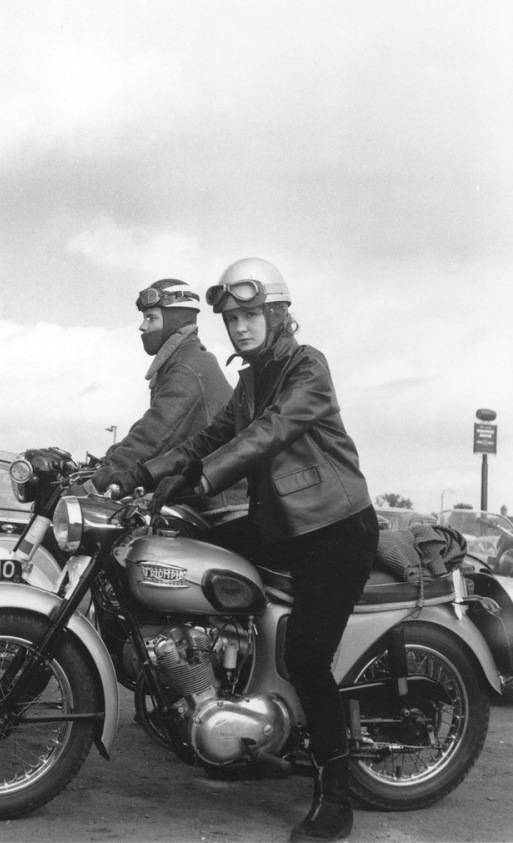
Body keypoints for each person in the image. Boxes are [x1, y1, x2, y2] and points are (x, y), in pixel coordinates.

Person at [114, 258, 378, 843]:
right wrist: (143, 475)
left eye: (251, 314)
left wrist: (203, 479)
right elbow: (212, 436)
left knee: (307, 659)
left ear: (279, 314)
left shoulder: (307, 367)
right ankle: (214, 693)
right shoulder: (251, 380)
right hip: (279, 525)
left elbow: (268, 433)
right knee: (181, 547)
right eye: (232, 318)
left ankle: (335, 797)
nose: (240, 326)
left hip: (335, 531)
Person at [88, 278, 247, 528]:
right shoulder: (181, 361)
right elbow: (148, 426)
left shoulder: (187, 367)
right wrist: (105, 461)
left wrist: (100, 481)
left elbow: (155, 434)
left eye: (151, 318)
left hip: (222, 508)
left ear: (174, 321)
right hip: (204, 497)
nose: (142, 326)